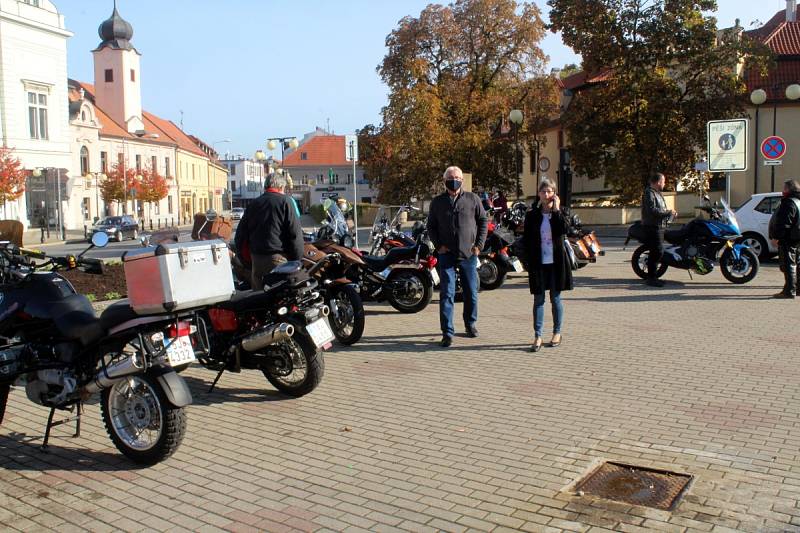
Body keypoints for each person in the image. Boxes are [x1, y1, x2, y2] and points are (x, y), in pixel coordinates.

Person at [427, 166, 488, 347]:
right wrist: (439, 246)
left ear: (462, 180)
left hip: (468, 254)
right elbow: (431, 226)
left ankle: (470, 324)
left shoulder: (472, 199)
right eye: (450, 177)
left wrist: (479, 245)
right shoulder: (437, 202)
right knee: (447, 294)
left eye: (457, 177)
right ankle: (447, 332)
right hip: (446, 256)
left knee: (471, 292)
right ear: (444, 180)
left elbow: (483, 221)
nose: (454, 180)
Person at [522, 180, 573, 352]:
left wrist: (557, 209)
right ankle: (538, 336)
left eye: (549, 191)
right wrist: (526, 260)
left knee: (555, 298)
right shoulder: (532, 215)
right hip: (538, 263)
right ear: (539, 194)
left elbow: (565, 229)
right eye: (543, 191)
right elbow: (526, 239)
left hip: (556, 263)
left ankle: (557, 332)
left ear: (554, 193)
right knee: (538, 299)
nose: (546, 195)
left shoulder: (562, 212)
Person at [234, 171, 304, 289]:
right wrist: (297, 261)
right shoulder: (285, 202)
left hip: (257, 261)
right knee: (281, 301)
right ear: (281, 186)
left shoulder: (253, 204)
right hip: (279, 262)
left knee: (259, 301)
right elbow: (295, 235)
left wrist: (247, 261)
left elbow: (239, 238)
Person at [640, 173, 676, 287]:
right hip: (652, 226)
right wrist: (668, 212)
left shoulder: (657, 193)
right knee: (657, 251)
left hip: (659, 226)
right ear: (658, 182)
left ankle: (653, 276)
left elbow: (661, 209)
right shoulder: (649, 193)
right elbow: (653, 210)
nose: (664, 183)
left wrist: (670, 213)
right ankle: (651, 278)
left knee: (657, 251)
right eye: (663, 181)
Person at [769, 179, 800, 299]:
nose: (783, 190)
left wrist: (777, 237)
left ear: (789, 189)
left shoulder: (789, 203)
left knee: (789, 264)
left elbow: (783, 223)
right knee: (797, 262)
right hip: (797, 237)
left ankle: (789, 291)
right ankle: (798, 289)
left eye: (784, 188)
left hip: (789, 238)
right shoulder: (798, 201)